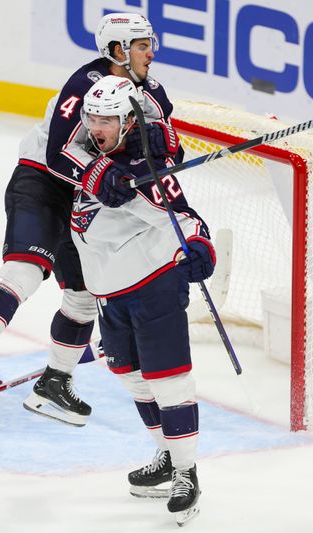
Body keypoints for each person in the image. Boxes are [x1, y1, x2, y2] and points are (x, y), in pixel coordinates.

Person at [0, 13, 182, 429]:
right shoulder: (83, 85)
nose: (151, 52)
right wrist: (103, 175)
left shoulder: (153, 94)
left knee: (84, 293)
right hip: (42, 183)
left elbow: (165, 153)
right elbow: (58, 153)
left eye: (150, 43)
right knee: (28, 266)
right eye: (142, 45)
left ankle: (55, 383)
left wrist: (163, 149)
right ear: (116, 51)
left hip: (85, 197)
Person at [71, 75, 214, 525]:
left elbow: (184, 216)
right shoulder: (88, 149)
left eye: (106, 120)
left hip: (153, 284)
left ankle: (187, 471)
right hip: (109, 292)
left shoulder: (145, 166)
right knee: (128, 373)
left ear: (129, 121)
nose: (96, 127)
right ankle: (168, 455)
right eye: (92, 117)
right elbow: (64, 149)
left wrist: (200, 245)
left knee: (167, 378)